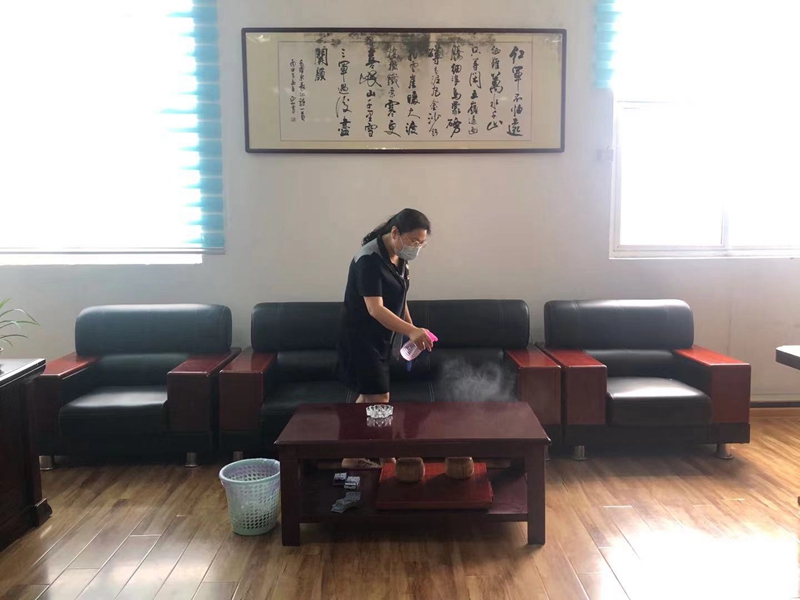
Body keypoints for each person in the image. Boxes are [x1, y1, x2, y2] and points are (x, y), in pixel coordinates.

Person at [337, 208, 435, 469]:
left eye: (421, 243)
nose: (416, 248)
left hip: (382, 339)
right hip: (361, 340)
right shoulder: (368, 260)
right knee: (380, 400)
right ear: (395, 233)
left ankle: (350, 458)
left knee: (368, 399)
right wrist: (410, 331)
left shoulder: (400, 256)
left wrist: (412, 329)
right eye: (414, 241)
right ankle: (388, 462)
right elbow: (375, 309)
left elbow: (400, 298)